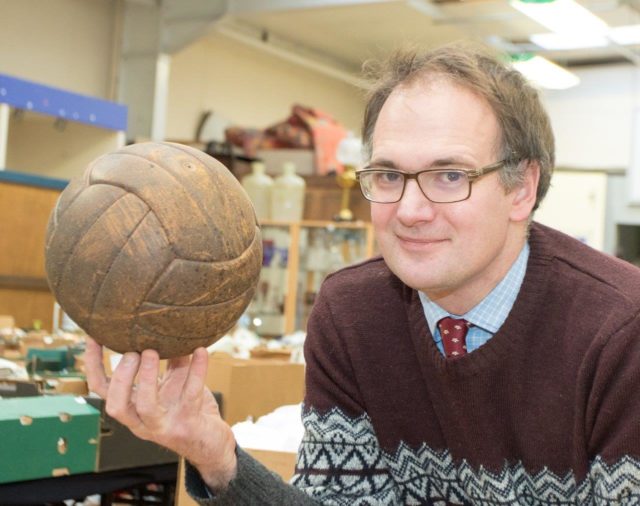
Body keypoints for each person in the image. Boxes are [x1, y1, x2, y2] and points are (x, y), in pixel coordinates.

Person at [84, 42, 640, 505]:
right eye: (390, 175)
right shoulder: (353, 314)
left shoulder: (620, 330)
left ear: (521, 188)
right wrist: (214, 451)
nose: (411, 210)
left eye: (449, 175)